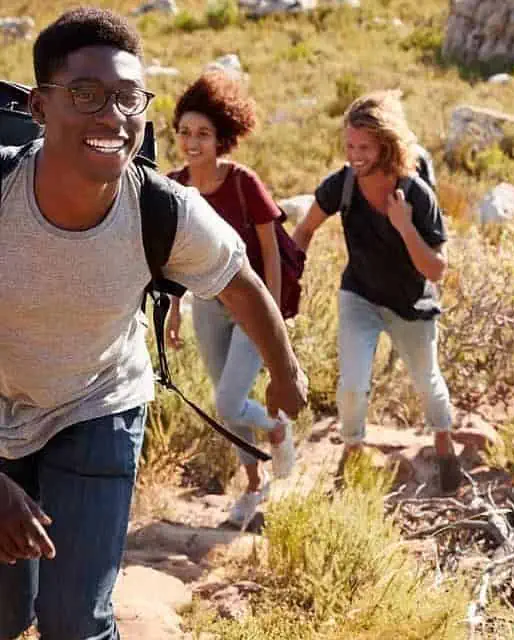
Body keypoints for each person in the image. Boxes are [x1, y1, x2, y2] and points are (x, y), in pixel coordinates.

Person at [0, 8, 307, 640]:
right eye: (85, 95)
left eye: (127, 98)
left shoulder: (163, 209)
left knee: (72, 620)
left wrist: (285, 371)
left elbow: (241, 282)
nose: (111, 116)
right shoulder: (3, 195)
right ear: (38, 107)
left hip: (97, 402)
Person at [292, 90, 461, 493]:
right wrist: (288, 272)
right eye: (349, 146)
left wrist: (404, 226)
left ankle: (444, 444)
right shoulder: (343, 185)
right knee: (352, 384)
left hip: (411, 305)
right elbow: (305, 228)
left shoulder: (417, 194)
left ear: (386, 145)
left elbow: (436, 270)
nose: (354, 155)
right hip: (360, 296)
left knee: (427, 382)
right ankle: (351, 456)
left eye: (364, 147)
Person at [166, 71, 296, 526]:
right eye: (184, 132)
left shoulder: (243, 183)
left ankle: (278, 429)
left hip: (251, 307)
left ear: (222, 136)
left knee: (227, 402)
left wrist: (273, 314)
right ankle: (254, 488)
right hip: (205, 304)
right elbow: (173, 258)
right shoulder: (174, 187)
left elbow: (271, 253)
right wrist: (174, 309)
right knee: (229, 404)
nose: (192, 141)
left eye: (203, 133)